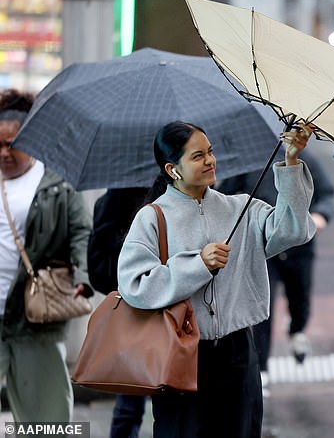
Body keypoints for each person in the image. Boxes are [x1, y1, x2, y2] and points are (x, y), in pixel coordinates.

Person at [117, 120, 316, 437]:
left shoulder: (239, 207)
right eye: (197, 156)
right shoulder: (152, 217)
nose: (210, 161)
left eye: (210, 152)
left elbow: (293, 229)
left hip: (238, 353)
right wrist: (198, 264)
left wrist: (290, 162)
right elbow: (135, 285)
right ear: (173, 169)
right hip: (180, 355)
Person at [0, 88, 93, 421]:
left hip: (34, 316)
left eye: (11, 144)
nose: (4, 152)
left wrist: (82, 277)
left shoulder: (56, 183)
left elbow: (81, 232)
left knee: (45, 418)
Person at [218, 148, 334, 385]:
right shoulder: (248, 162)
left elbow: (327, 194)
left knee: (300, 298)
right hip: (265, 248)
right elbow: (223, 196)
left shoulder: (306, 160)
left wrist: (320, 215)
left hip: (300, 248)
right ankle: (262, 369)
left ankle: (296, 330)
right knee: (265, 307)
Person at [87, 187, 151, 438]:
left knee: (132, 402)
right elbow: (100, 266)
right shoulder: (114, 201)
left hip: (140, 305)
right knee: (133, 400)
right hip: (135, 307)